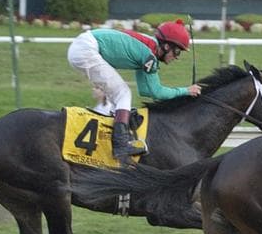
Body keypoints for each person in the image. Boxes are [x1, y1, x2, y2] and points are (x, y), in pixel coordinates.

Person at [68, 20, 202, 159]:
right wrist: (185, 91)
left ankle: (114, 132)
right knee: (123, 93)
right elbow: (156, 92)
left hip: (83, 46)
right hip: (86, 49)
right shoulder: (149, 55)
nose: (177, 57)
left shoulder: (149, 50)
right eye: (177, 51)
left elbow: (145, 90)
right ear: (167, 46)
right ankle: (121, 144)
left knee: (119, 97)